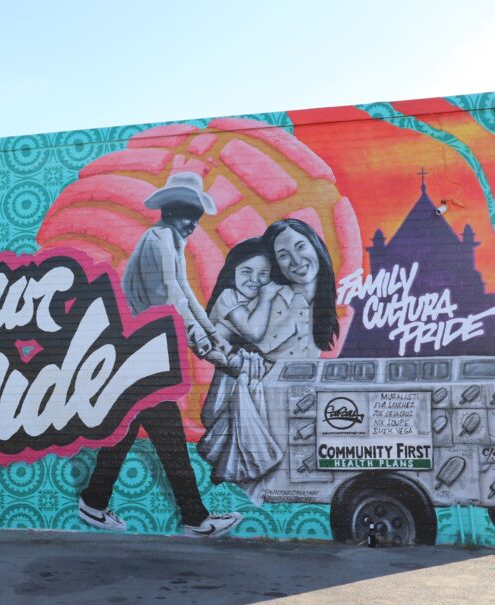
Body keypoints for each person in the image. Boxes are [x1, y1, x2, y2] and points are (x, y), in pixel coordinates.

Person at [78, 171, 243, 537]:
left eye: (197, 218)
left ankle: (94, 501)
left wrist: (213, 336)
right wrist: (205, 346)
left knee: (128, 433)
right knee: (167, 437)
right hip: (143, 352)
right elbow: (171, 298)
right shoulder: (159, 239)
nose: (194, 225)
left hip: (144, 353)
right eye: (190, 216)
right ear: (171, 210)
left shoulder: (169, 241)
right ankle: (195, 519)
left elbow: (186, 293)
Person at [197, 238, 284, 494]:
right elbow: (255, 333)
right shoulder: (227, 297)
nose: (254, 279)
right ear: (232, 271)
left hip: (241, 376)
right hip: (228, 382)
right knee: (231, 427)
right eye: (246, 271)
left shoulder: (253, 301)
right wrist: (268, 297)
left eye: (263, 274)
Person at [257, 218, 339, 360]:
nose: (296, 260)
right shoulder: (273, 300)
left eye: (300, 247)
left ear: (316, 246)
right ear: (276, 263)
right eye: (283, 255)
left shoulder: (321, 301)